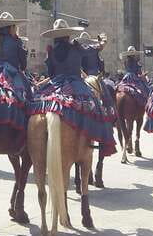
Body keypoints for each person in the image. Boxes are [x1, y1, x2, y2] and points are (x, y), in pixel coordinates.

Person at [29, 19, 115, 154]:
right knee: (95, 105)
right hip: (75, 83)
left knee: (34, 101)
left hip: (55, 84)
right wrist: (103, 41)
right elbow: (95, 49)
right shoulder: (76, 47)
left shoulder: (51, 51)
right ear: (68, 34)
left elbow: (51, 74)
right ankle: (100, 140)